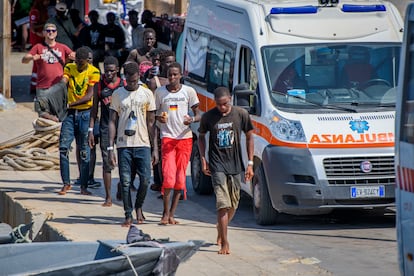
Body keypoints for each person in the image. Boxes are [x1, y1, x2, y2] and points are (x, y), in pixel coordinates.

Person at [198, 86, 254, 255]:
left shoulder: (240, 114)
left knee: (233, 204)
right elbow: (201, 137)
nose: (222, 108)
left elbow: (250, 136)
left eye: (224, 104)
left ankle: (220, 228)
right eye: (218, 104)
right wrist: (202, 158)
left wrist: (250, 163)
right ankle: (225, 242)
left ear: (230, 98)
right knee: (223, 205)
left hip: (235, 165)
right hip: (217, 166)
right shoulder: (208, 117)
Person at [108, 61, 158, 227]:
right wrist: (110, 148)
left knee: (145, 180)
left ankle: (138, 207)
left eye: (135, 81)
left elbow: (152, 123)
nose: (132, 84)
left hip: (143, 143)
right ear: (124, 78)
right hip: (123, 145)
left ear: (138, 78)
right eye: (129, 81)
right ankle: (128, 214)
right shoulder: (117, 95)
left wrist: (155, 148)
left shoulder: (147, 94)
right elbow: (112, 122)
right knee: (126, 181)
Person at [155, 62, 200, 225]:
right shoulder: (160, 92)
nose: (172, 78)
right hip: (167, 138)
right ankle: (164, 214)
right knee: (168, 178)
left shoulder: (189, 92)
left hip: (185, 139)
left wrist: (192, 119)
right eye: (169, 75)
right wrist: (158, 118)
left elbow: (198, 113)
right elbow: (153, 114)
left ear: (181, 75)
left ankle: (172, 214)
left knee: (180, 181)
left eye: (175, 75)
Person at [58, 46, 101, 196]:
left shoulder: (93, 72)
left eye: (81, 63)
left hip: (85, 114)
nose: (78, 65)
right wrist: (58, 89)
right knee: (63, 147)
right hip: (69, 115)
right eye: (76, 62)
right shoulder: (70, 67)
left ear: (86, 62)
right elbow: (64, 81)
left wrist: (70, 104)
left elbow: (90, 95)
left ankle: (84, 186)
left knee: (84, 151)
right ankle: (66, 183)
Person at [89, 56, 124, 207]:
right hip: (104, 127)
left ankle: (122, 187)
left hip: (122, 127)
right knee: (106, 161)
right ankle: (108, 197)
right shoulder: (98, 85)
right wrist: (91, 130)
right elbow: (94, 109)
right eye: (106, 71)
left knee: (124, 161)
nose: (108, 74)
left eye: (111, 71)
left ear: (117, 70)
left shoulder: (123, 85)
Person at [21, 23, 74, 122]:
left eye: (53, 31)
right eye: (48, 30)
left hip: (59, 87)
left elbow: (74, 55)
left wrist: (75, 56)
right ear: (43, 33)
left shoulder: (62, 47)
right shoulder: (38, 47)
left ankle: (57, 134)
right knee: (43, 112)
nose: (51, 33)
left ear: (56, 33)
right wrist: (32, 57)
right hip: (43, 87)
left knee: (61, 112)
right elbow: (24, 60)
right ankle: (50, 128)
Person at [28, 0, 50, 95]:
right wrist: (46, 23)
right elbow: (33, 27)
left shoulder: (44, 10)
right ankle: (34, 87)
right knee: (37, 64)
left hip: (42, 40)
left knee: (42, 64)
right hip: (37, 41)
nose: (48, 2)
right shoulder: (35, 12)